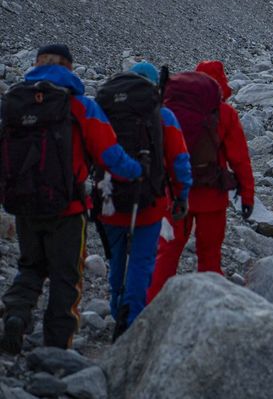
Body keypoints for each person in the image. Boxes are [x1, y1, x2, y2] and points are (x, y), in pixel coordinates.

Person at [0, 45, 144, 353]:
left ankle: (16, 313)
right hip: (68, 207)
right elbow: (110, 154)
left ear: (36, 64)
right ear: (69, 68)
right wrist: (136, 171)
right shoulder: (79, 105)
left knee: (30, 266)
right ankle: (58, 345)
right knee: (67, 277)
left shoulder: (14, 101)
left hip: (24, 203)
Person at [96, 62, 192, 338]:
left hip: (109, 198)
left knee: (116, 258)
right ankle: (132, 318)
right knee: (141, 261)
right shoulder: (162, 115)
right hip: (149, 200)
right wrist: (182, 194)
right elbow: (179, 159)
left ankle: (116, 307)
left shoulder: (106, 109)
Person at [148, 60, 254, 302]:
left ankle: (151, 308)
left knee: (167, 253)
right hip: (212, 197)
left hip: (174, 193)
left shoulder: (169, 108)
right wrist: (247, 196)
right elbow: (240, 159)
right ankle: (208, 310)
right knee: (209, 256)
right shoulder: (225, 113)